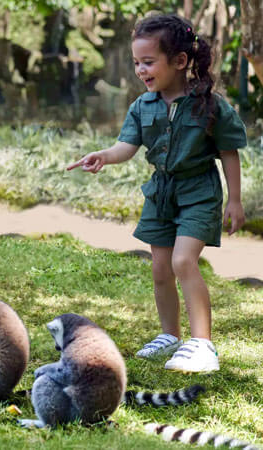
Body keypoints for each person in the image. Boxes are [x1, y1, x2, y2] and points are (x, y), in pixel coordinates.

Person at [67, 14, 246, 373]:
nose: (140, 70)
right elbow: (126, 146)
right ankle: (170, 336)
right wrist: (104, 156)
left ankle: (203, 345)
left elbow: (229, 151)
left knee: (183, 262)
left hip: (198, 191)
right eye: (136, 63)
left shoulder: (209, 104)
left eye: (148, 62)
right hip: (161, 193)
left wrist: (235, 200)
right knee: (161, 269)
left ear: (180, 62)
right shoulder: (141, 106)